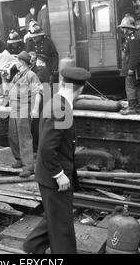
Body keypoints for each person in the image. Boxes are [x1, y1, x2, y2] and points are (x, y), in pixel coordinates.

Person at [23, 64, 91, 254]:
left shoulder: (56, 102)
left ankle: (32, 246)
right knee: (62, 225)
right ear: (81, 89)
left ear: (62, 82)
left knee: (55, 216)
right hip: (54, 176)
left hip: (49, 174)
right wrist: (59, 174)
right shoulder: (60, 108)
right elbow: (46, 147)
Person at [6, 51, 43, 178]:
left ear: (21, 62)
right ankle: (19, 159)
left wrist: (35, 109)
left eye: (17, 61)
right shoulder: (18, 74)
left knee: (24, 137)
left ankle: (28, 167)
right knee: (13, 135)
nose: (15, 63)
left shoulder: (31, 75)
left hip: (24, 108)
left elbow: (38, 92)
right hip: (14, 108)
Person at [118, 15, 140, 115]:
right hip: (133, 68)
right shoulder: (131, 37)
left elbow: (134, 55)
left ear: (128, 28)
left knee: (130, 87)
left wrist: (131, 69)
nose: (122, 29)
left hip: (132, 68)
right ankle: (138, 108)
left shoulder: (132, 38)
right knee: (136, 87)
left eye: (123, 27)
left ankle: (132, 108)